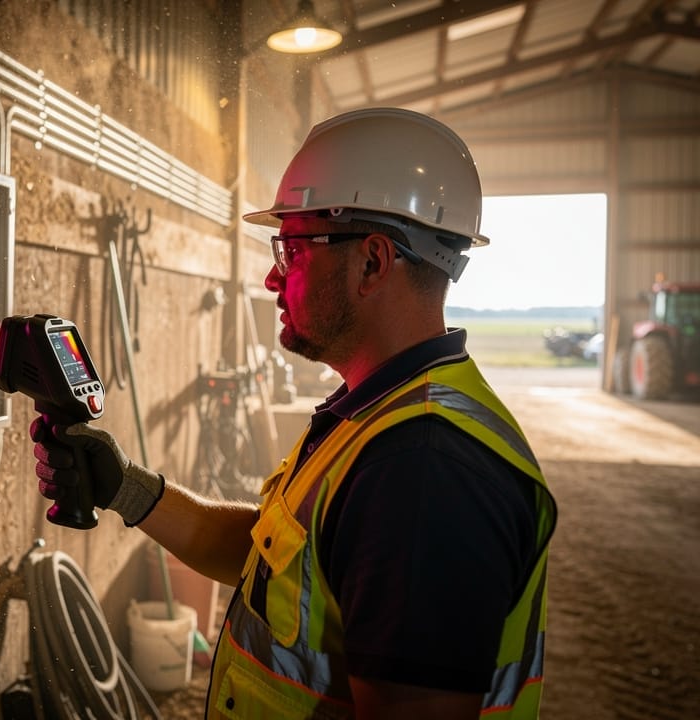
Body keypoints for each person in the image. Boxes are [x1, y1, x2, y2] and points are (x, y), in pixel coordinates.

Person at [31, 107, 558, 719]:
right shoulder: (381, 416)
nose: (270, 278)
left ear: (373, 262)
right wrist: (126, 488)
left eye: (291, 250)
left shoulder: (423, 470)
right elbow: (270, 561)